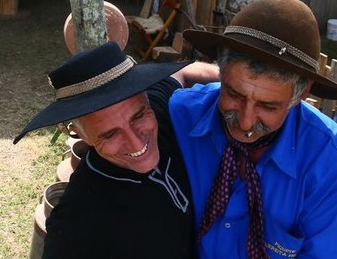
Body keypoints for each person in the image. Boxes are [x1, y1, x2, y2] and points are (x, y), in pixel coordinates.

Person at [169, 0, 337, 259]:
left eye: (268, 106)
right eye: (234, 94)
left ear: (301, 93)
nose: (246, 122)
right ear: (221, 74)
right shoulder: (179, 117)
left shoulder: (329, 159)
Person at [13, 41, 220, 258]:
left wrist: (235, 85)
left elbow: (184, 72)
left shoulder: (159, 110)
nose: (136, 143)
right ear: (82, 135)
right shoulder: (77, 226)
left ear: (146, 99)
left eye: (138, 116)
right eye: (110, 134)